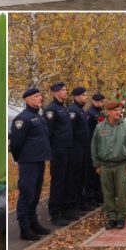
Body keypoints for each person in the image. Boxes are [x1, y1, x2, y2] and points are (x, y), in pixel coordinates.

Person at [9, 87, 52, 241]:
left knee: (35, 194)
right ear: (27, 99)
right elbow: (16, 143)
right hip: (28, 162)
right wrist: (20, 158)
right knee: (27, 194)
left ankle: (34, 223)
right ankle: (24, 227)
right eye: (36, 96)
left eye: (40, 95)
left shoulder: (38, 116)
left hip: (39, 160)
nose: (40, 98)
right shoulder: (23, 119)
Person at [91, 101, 126, 229]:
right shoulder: (100, 127)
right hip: (105, 166)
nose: (118, 112)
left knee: (122, 191)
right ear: (108, 112)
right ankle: (111, 217)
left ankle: (121, 217)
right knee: (107, 193)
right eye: (115, 110)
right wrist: (97, 165)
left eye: (120, 110)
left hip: (121, 165)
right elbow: (94, 146)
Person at [43, 82, 74, 226]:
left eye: (66, 89)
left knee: (68, 181)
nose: (66, 92)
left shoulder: (64, 108)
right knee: (58, 182)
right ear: (55, 92)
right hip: (58, 151)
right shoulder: (51, 110)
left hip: (68, 150)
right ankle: (55, 213)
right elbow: (48, 133)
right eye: (63, 90)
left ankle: (65, 209)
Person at [66, 86, 90, 217]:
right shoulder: (72, 111)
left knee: (82, 177)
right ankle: (73, 205)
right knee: (75, 179)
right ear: (76, 96)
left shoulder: (82, 111)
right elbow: (72, 132)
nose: (86, 97)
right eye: (84, 95)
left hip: (84, 148)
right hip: (76, 150)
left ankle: (81, 202)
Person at [84, 94, 106, 208]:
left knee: (99, 175)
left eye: (101, 101)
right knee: (91, 175)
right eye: (98, 101)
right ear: (93, 101)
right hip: (91, 147)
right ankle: (89, 198)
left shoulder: (102, 113)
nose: (100, 103)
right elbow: (88, 132)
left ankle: (99, 197)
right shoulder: (89, 113)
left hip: (100, 147)